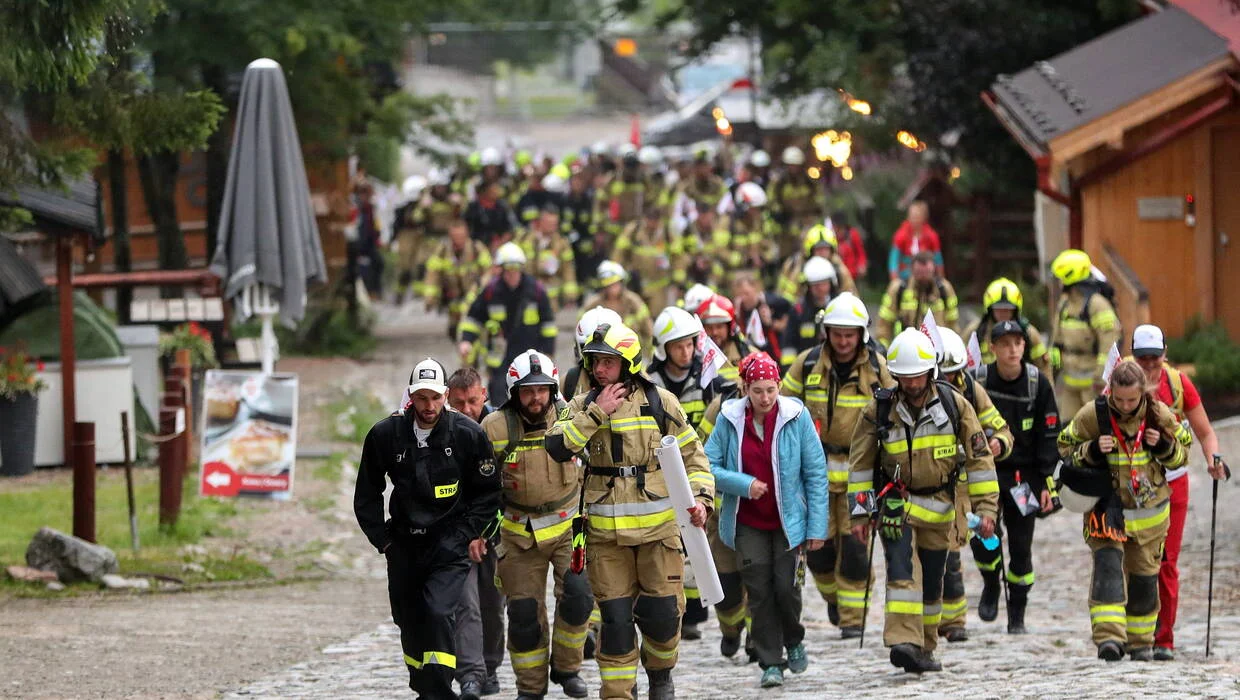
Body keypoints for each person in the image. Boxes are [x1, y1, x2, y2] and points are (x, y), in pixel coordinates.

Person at [544, 323, 714, 700]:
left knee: (663, 617)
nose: (600, 369)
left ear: (629, 364)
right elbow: (555, 446)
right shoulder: (582, 404)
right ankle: (620, 692)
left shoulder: (661, 402)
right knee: (616, 624)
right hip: (606, 540)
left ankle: (660, 678)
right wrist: (595, 414)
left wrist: (702, 500)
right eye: (596, 362)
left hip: (659, 536)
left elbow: (696, 460)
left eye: (609, 362)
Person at [847, 329, 999, 673]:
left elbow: (979, 460)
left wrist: (986, 508)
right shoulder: (880, 408)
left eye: (917, 376)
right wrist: (859, 516)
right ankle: (903, 641)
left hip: (940, 509)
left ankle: (926, 646)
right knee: (901, 574)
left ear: (930, 372)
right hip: (896, 508)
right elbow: (860, 465)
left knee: (933, 581)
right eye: (905, 378)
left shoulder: (955, 405)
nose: (912, 384)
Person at [354, 358, 503, 699]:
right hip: (404, 544)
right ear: (411, 397)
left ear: (445, 396)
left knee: (438, 612)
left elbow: (488, 492)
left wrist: (467, 533)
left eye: (435, 398)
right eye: (422, 398)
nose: (429, 406)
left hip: (448, 546)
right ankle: (424, 686)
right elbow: (366, 493)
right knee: (408, 618)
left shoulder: (467, 435)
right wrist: (384, 540)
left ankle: (440, 688)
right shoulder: (385, 435)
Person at [706, 352, 828, 689]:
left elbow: (816, 473)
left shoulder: (796, 416)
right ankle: (770, 661)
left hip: (789, 521)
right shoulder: (729, 419)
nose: (765, 398)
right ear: (745, 388)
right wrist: (744, 485)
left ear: (779, 387)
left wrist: (817, 527)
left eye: (771, 390)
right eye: (757, 390)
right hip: (747, 521)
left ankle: (794, 638)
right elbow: (708, 466)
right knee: (758, 590)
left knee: (786, 587)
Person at [476, 352, 591, 700]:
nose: (536, 398)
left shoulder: (570, 417)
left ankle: (568, 668)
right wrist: (481, 531)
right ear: (514, 392)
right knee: (524, 614)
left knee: (578, 597)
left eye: (543, 390)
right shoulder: (494, 428)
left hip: (567, 526)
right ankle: (530, 687)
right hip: (517, 532)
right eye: (528, 391)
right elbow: (479, 485)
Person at [1056, 360, 1188, 661]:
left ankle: (1140, 641)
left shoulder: (1159, 414)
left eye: (1132, 399)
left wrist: (1164, 446)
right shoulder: (1094, 414)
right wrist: (1090, 449)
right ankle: (1109, 640)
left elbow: (1182, 455)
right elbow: (1064, 447)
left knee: (1144, 580)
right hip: (1106, 510)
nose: (1126, 406)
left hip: (1150, 517)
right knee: (1108, 570)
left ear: (1144, 392)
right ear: (1110, 391)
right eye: (1120, 399)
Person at [782, 292, 892, 637]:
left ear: (862, 334)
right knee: (819, 552)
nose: (844, 341)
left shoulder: (878, 368)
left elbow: (896, 412)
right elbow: (782, 406)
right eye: (837, 333)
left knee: (857, 550)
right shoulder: (807, 363)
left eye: (850, 334)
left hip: (861, 475)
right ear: (826, 332)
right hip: (815, 475)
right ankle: (834, 599)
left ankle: (851, 619)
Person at [1129, 324, 1229, 660]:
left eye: (1155, 359)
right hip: (1135, 483)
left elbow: (1205, 432)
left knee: (1167, 561)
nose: (1149, 366)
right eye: (1142, 359)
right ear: (1132, 356)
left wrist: (1213, 459)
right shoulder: (1120, 380)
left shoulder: (1177, 383)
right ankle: (1136, 632)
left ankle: (1165, 638)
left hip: (1174, 481)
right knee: (1136, 560)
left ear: (1165, 354)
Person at [647, 306, 737, 642]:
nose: (685, 352)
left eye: (690, 345)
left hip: (700, 467)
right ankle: (680, 613)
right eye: (677, 346)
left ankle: (697, 612)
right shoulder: (650, 383)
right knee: (673, 543)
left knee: (701, 538)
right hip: (663, 470)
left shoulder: (709, 376)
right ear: (663, 348)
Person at [934, 328, 1014, 641]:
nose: (952, 382)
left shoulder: (969, 390)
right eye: (946, 375)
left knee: (958, 549)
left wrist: (997, 443)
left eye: (956, 374)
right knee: (937, 552)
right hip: (925, 485)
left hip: (964, 488)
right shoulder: (910, 390)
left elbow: (1002, 429)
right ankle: (942, 620)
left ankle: (956, 619)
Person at [445, 368, 503, 698]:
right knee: (465, 604)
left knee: (493, 603)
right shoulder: (445, 430)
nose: (467, 409)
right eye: (458, 403)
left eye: (472, 401)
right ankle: (470, 672)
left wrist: (484, 535)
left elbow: (501, 491)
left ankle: (491, 666)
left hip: (494, 529)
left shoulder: (498, 427)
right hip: (456, 532)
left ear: (484, 395)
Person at [458, 242, 557, 404]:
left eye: (515, 270)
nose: (512, 275)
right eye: (508, 271)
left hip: (529, 354)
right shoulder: (491, 291)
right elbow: (474, 318)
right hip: (500, 356)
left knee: (528, 395)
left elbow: (548, 324)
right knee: (498, 394)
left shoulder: (535, 291)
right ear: (501, 270)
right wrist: (466, 340)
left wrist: (547, 352)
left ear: (521, 269)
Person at [1049, 248, 1120, 419]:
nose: (1058, 283)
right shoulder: (1065, 304)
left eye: (1060, 278)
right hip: (1069, 382)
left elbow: (1109, 341)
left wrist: (1102, 375)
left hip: (1093, 384)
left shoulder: (1097, 305)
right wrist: (1053, 365)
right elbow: (1057, 339)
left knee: (1092, 428)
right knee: (1067, 429)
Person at [961, 277, 1053, 380]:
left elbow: (1044, 368)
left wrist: (1047, 393)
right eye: (999, 310)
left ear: (1016, 311)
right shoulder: (975, 331)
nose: (1003, 314)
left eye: (1008, 310)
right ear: (990, 310)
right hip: (984, 389)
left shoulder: (1029, 333)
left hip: (1019, 390)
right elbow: (960, 364)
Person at [422, 219, 493, 340]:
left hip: (473, 296)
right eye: (455, 236)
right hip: (453, 296)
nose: (458, 239)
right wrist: (430, 298)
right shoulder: (443, 250)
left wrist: (478, 288)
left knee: (472, 327)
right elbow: (433, 273)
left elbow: (489, 270)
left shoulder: (476, 248)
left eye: (461, 236)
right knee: (454, 330)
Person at [876, 251, 959, 346]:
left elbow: (953, 324)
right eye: (919, 273)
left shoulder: (944, 289)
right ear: (911, 270)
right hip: (905, 349)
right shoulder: (898, 289)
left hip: (937, 351)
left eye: (927, 272)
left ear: (934, 270)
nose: (923, 277)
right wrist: (882, 350)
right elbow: (884, 324)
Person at [615, 206, 680, 315]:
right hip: (636, 283)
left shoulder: (666, 232)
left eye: (655, 220)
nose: (652, 223)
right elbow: (620, 252)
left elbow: (677, 255)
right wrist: (618, 274)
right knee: (635, 315)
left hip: (658, 286)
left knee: (656, 316)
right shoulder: (634, 230)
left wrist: (677, 278)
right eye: (650, 219)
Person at [582, 260, 655, 354]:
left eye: (614, 284)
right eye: (608, 285)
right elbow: (581, 333)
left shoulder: (633, 301)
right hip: (601, 353)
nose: (612, 289)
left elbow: (648, 329)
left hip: (631, 352)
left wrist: (653, 355)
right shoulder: (592, 304)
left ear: (622, 282)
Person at [515, 205, 579, 311]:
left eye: (554, 224)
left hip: (551, 296)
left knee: (548, 325)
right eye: (549, 223)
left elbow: (568, 269)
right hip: (525, 292)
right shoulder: (524, 239)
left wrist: (570, 295)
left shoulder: (561, 243)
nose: (552, 227)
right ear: (540, 221)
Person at [779, 257, 838, 370]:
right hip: (805, 369)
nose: (819, 288)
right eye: (815, 285)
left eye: (823, 283)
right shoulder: (798, 311)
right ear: (808, 286)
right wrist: (789, 371)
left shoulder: (839, 307)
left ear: (831, 283)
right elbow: (789, 345)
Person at [777, 224, 856, 303]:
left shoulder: (837, 265)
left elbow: (851, 291)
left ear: (832, 250)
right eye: (818, 249)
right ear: (810, 251)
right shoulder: (797, 265)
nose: (822, 253)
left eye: (826, 249)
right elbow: (786, 294)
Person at [563, 306, 625, 401]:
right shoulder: (568, 382)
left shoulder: (643, 386)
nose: (599, 368)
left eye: (608, 358)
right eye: (589, 351)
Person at [770, 147, 822, 259]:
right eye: (790, 165)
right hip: (786, 225)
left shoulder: (809, 182)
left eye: (796, 165)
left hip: (806, 222)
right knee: (786, 256)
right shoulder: (779, 183)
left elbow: (818, 199)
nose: (793, 168)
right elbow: (772, 200)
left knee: (807, 251)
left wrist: (815, 213)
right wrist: (779, 212)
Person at [732, 272, 791, 365]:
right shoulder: (738, 309)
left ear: (755, 288)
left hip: (775, 355)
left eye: (746, 293)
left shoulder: (772, 301)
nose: (743, 298)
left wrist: (770, 323)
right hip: (752, 358)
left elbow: (787, 325)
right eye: (739, 295)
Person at [696, 294, 755, 385]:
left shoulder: (749, 354)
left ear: (729, 327)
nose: (714, 332)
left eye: (719, 327)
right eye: (709, 327)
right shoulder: (693, 357)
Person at [888, 200, 943, 282]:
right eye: (912, 216)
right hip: (905, 275)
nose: (914, 219)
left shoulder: (931, 236)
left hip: (926, 275)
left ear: (924, 218)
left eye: (917, 216)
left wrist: (941, 278)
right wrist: (894, 278)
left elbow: (938, 259)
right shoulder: (901, 235)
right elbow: (894, 258)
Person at [465, 180, 519, 251]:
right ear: (485, 191)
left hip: (501, 243)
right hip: (478, 245)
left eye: (497, 189)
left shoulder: (503, 206)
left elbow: (511, 227)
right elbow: (467, 228)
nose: (496, 192)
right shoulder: (473, 207)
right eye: (493, 189)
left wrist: (501, 242)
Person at [831, 212, 868, 281]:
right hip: (836, 276)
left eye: (841, 228)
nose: (839, 231)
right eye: (837, 228)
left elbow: (861, 253)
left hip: (852, 276)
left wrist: (862, 265)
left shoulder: (853, 235)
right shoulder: (830, 237)